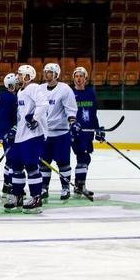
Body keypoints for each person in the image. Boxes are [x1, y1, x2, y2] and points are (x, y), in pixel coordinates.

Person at [3, 64, 48, 214]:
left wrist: (34, 118)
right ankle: (18, 196)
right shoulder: (20, 92)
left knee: (31, 165)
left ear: (28, 76)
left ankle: (36, 197)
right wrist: (15, 129)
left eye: (20, 74)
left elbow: (43, 104)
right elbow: (21, 116)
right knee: (15, 165)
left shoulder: (34, 87)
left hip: (33, 135)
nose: (18, 76)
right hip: (20, 136)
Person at [38, 63, 78, 201]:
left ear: (56, 74)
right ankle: (44, 188)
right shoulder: (40, 89)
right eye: (45, 72)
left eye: (49, 72)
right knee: (43, 163)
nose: (46, 74)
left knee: (63, 163)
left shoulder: (65, 89)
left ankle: (65, 187)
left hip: (61, 133)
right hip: (44, 133)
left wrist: (72, 121)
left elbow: (71, 109)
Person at [71, 66, 104, 198]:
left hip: (87, 131)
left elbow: (93, 113)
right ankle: (80, 185)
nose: (79, 79)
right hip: (75, 132)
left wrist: (97, 129)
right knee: (83, 157)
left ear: (86, 78)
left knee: (85, 159)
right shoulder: (70, 93)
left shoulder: (90, 93)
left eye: (81, 76)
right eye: (76, 76)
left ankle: (79, 184)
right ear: (73, 79)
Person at [0, 73, 18, 202]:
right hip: (9, 134)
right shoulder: (11, 98)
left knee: (10, 160)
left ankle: (6, 185)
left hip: (4, 133)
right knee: (12, 160)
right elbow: (14, 117)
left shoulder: (2, 96)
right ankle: (9, 185)